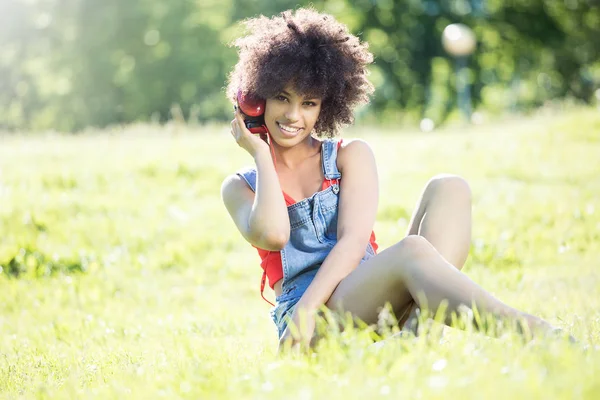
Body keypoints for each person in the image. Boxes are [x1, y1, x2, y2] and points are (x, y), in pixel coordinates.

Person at [221, 8, 571, 350]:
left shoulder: (348, 156)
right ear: (255, 98)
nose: (294, 115)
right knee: (412, 251)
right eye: (282, 98)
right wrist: (261, 153)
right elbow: (274, 234)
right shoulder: (241, 187)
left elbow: (353, 243)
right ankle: (535, 334)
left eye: (309, 103)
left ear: (325, 107)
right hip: (308, 320)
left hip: (373, 293)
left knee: (449, 187)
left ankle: (418, 337)